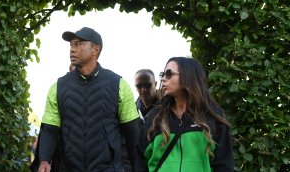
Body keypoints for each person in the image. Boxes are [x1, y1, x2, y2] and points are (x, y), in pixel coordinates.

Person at [37, 27, 140, 172]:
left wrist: (137, 168)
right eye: (71, 45)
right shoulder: (57, 87)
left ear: (95, 50)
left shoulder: (119, 85)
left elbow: (132, 132)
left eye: (78, 44)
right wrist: (44, 160)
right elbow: (50, 130)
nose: (72, 49)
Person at [136, 57, 234, 172]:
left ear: (188, 77)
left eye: (169, 74)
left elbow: (224, 165)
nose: (163, 79)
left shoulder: (212, 116)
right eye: (162, 74)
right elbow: (139, 159)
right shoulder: (155, 117)